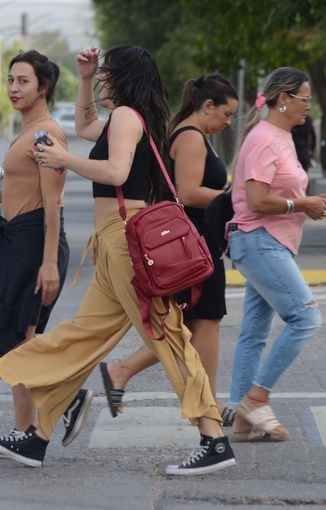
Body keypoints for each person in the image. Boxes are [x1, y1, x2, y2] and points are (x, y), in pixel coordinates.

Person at [0, 45, 237, 476]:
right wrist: (82, 78)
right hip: (113, 241)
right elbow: (82, 125)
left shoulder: (126, 118)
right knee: (84, 334)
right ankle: (37, 436)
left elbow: (116, 174)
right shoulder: (131, 119)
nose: (101, 81)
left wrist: (64, 160)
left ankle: (213, 438)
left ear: (122, 77)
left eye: (105, 74)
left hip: (124, 240)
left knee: (167, 337)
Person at [0, 50, 92, 459]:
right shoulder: (28, 131)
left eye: (23, 81)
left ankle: (57, 403)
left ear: (43, 87)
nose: (13, 88)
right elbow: (29, 193)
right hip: (15, 238)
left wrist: (49, 263)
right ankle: (29, 428)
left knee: (13, 336)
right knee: (6, 337)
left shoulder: (45, 136)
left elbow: (52, 205)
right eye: (11, 80)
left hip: (36, 243)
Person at [97, 74, 239, 426]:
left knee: (191, 324)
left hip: (191, 239)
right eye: (226, 114)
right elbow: (189, 193)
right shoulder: (190, 138)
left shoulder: (190, 134)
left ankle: (124, 371)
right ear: (207, 106)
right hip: (193, 241)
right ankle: (209, 405)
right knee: (202, 322)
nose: (228, 122)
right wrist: (237, 199)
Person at [227, 67, 326, 442]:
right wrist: (301, 203)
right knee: (306, 318)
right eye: (304, 98)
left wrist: (308, 203)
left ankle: (241, 418)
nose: (308, 106)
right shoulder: (266, 140)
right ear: (283, 99)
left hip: (268, 242)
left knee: (254, 333)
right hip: (260, 240)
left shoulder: (280, 136)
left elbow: (280, 193)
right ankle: (256, 398)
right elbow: (257, 201)